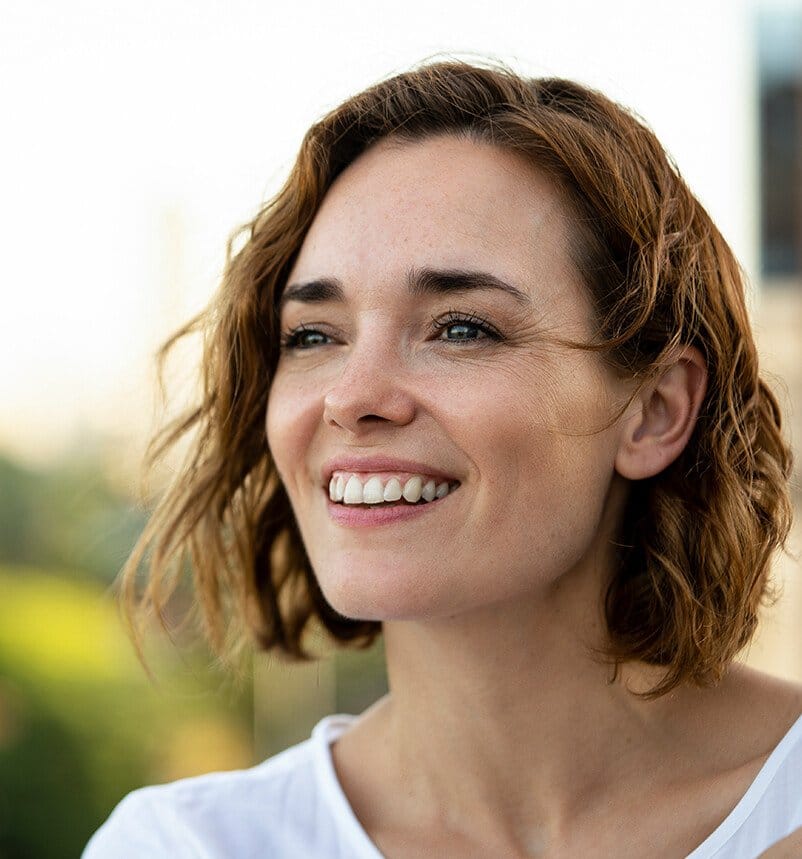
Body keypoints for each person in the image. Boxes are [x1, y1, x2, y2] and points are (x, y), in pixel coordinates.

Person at [83, 60, 802, 858]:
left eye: (461, 327)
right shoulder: (185, 845)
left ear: (655, 410)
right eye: (313, 335)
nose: (351, 397)